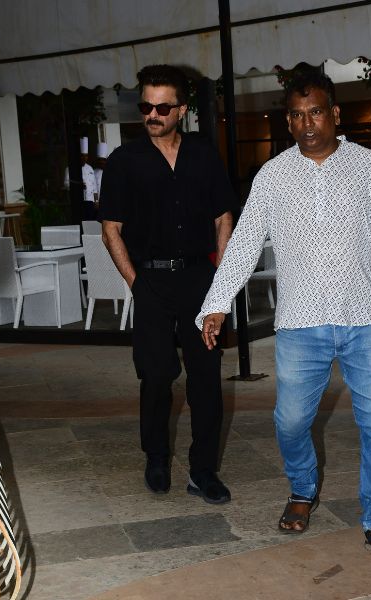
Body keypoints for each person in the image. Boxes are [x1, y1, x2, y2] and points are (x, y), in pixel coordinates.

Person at [196, 71, 371, 565]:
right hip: (300, 323)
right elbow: (243, 245)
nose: (307, 124)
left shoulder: (368, 167)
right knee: (291, 420)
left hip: (365, 317)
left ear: (334, 114)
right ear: (288, 121)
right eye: (296, 115)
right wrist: (216, 304)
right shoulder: (272, 176)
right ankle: (302, 487)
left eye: (315, 112)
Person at [99, 64, 235, 504]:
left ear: (181, 110)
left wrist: (220, 283)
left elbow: (223, 217)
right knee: (156, 375)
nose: (152, 115)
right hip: (151, 281)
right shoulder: (124, 161)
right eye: (146, 107)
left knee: (206, 376)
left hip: (199, 279)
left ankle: (203, 470)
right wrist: (137, 284)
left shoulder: (203, 154)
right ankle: (156, 456)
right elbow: (110, 230)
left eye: (162, 108)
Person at [64, 137, 99, 220]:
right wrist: (77, 186)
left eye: (86, 155)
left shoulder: (90, 168)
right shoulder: (70, 168)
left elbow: (94, 187)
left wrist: (96, 201)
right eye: (82, 155)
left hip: (90, 202)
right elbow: (66, 184)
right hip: (78, 201)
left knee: (90, 222)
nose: (84, 158)